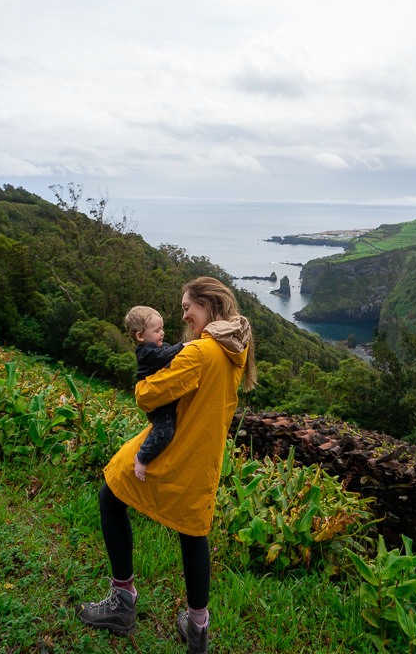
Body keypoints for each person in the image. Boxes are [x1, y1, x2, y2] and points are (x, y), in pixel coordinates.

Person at [76, 277, 257, 653]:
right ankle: (197, 628)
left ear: (208, 306)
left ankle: (122, 603)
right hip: (203, 457)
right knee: (193, 534)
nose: (185, 315)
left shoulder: (200, 352)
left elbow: (147, 395)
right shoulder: (234, 347)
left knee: (110, 495)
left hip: (172, 450)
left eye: (187, 307)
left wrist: (145, 381)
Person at [122, 305, 185, 481]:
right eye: (157, 330)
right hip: (159, 406)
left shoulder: (156, 347)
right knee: (165, 431)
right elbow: (164, 356)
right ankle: (142, 458)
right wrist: (183, 347)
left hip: (165, 400)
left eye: (162, 329)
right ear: (140, 336)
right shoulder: (145, 352)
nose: (162, 333)